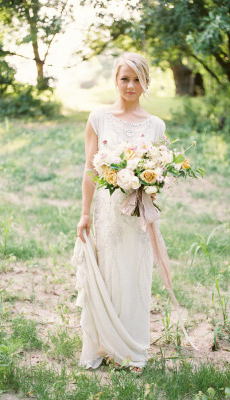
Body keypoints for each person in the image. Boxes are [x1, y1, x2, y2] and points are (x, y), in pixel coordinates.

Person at [73, 52, 166, 373]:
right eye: (125, 78)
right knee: (112, 272)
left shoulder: (155, 125)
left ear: (146, 83)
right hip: (108, 212)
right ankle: (107, 346)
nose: (131, 85)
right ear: (115, 81)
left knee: (136, 275)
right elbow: (89, 169)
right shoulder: (98, 118)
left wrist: (149, 183)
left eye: (137, 79)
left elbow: (160, 171)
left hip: (139, 213)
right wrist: (84, 214)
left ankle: (132, 350)